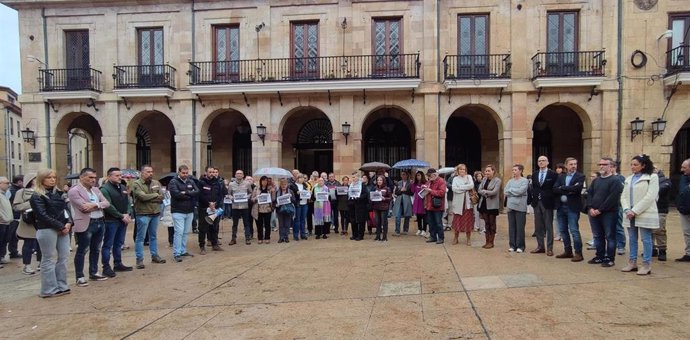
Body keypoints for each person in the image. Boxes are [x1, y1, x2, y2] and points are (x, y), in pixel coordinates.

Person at [30, 169, 72, 297]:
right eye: (49, 177)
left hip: (62, 227)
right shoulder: (37, 195)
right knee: (48, 258)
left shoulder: (58, 193)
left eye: (54, 177)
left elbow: (66, 209)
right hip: (47, 228)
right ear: (42, 179)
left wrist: (69, 222)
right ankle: (49, 289)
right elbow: (42, 215)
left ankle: (61, 285)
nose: (53, 179)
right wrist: (61, 226)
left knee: (64, 257)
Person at [68, 167, 111, 286]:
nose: (93, 180)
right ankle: (80, 276)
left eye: (94, 178)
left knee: (96, 249)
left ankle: (94, 272)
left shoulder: (96, 190)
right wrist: (98, 205)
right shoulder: (74, 191)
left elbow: (107, 203)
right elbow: (83, 207)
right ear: (82, 177)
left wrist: (94, 204)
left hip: (99, 221)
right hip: (85, 222)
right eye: (90, 177)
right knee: (82, 250)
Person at [620, 154, 659, 275]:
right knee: (632, 238)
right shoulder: (629, 179)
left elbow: (650, 196)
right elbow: (624, 196)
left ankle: (646, 264)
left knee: (645, 239)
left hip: (644, 212)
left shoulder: (652, 177)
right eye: (631, 164)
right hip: (629, 213)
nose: (633, 167)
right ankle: (632, 262)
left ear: (643, 165)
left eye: (635, 165)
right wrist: (627, 209)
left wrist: (635, 210)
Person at [586, 158, 624, 268]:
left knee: (610, 236)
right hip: (594, 212)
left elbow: (612, 198)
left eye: (604, 164)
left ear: (611, 166)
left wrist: (600, 210)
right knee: (597, 236)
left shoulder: (615, 180)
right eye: (600, 164)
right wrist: (590, 207)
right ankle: (600, 255)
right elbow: (590, 194)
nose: (601, 166)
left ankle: (610, 258)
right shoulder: (596, 180)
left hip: (609, 213)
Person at [99, 167, 134, 277]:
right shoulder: (104, 189)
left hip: (122, 220)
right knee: (108, 244)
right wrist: (120, 215)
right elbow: (108, 206)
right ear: (109, 176)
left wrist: (128, 213)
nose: (120, 177)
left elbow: (128, 202)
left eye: (120, 175)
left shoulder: (122, 187)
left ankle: (118, 263)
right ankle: (106, 267)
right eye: (117, 175)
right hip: (111, 220)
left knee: (118, 243)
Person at [131, 165, 167, 269]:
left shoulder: (156, 183)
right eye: (147, 172)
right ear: (141, 173)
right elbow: (142, 197)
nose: (150, 173)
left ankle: (155, 256)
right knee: (140, 238)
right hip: (143, 214)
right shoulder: (136, 184)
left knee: (153, 236)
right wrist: (155, 195)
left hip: (155, 213)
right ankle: (139, 259)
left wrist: (152, 197)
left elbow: (162, 197)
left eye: (151, 171)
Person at [553, 157, 585, 262]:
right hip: (561, 207)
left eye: (575, 164)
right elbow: (554, 189)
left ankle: (579, 253)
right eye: (571, 164)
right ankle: (568, 251)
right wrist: (569, 189)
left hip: (573, 207)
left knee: (574, 230)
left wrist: (563, 188)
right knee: (563, 230)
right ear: (566, 166)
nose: (573, 166)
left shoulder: (580, 176)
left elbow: (577, 189)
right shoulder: (561, 176)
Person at [168, 165, 199, 262]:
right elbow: (176, 195)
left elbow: (197, 191)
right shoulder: (173, 182)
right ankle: (177, 253)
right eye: (183, 173)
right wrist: (190, 194)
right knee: (179, 232)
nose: (185, 175)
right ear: (179, 172)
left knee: (185, 232)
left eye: (186, 173)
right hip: (178, 211)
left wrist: (185, 193)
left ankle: (183, 250)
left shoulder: (191, 181)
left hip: (189, 211)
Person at [12, 173, 42, 274]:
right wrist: (32, 203)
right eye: (35, 179)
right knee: (28, 244)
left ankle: (41, 263)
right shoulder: (21, 192)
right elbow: (17, 207)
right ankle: (27, 266)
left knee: (42, 244)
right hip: (28, 221)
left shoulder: (42, 191)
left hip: (42, 220)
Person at [531, 156, 558, 256]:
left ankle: (550, 248)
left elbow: (555, 188)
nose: (541, 162)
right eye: (539, 161)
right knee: (538, 226)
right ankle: (540, 246)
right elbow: (533, 187)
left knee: (548, 226)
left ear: (547, 162)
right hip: (537, 202)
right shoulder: (535, 174)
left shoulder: (553, 174)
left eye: (543, 161)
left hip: (548, 203)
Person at [197, 166, 226, 254]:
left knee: (214, 227)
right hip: (204, 209)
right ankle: (202, 246)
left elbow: (220, 195)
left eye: (213, 172)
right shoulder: (201, 182)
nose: (212, 174)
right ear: (206, 173)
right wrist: (209, 203)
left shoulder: (217, 183)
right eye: (209, 172)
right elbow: (200, 195)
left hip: (215, 208)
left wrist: (215, 203)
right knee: (203, 228)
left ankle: (215, 244)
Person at [504, 164, 529, 253]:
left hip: (520, 206)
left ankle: (520, 246)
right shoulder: (510, 181)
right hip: (510, 206)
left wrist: (512, 190)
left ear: (520, 171)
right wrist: (513, 191)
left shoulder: (525, 181)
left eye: (515, 170)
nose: (513, 171)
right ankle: (512, 245)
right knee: (512, 227)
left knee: (520, 227)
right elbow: (506, 191)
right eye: (513, 170)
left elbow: (521, 191)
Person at [477, 165, 501, 249]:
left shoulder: (497, 180)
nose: (487, 172)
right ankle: (487, 241)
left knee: (492, 223)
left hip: (492, 205)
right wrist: (486, 192)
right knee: (486, 223)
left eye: (488, 171)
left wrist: (485, 192)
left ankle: (491, 242)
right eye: (486, 171)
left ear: (493, 171)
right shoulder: (484, 179)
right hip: (483, 204)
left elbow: (494, 192)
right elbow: (479, 190)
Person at [450, 164, 474, 246]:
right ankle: (456, 238)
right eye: (460, 169)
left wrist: (460, 187)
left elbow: (471, 186)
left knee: (468, 222)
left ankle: (468, 239)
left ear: (466, 170)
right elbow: (454, 189)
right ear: (458, 171)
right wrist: (465, 188)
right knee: (457, 221)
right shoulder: (455, 179)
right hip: (458, 203)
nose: (462, 171)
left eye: (463, 169)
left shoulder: (469, 177)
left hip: (467, 203)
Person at [228, 169, 253, 245]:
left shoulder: (247, 184)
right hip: (235, 206)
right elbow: (229, 194)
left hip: (244, 206)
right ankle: (233, 238)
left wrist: (247, 197)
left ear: (243, 175)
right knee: (235, 224)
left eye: (240, 173)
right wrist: (231, 198)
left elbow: (250, 192)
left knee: (246, 223)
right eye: (237, 173)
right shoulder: (231, 184)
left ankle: (247, 238)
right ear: (235, 175)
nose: (239, 175)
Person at [652, 168, 671, 261]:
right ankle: (652, 249)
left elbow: (662, 189)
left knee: (660, 230)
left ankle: (662, 250)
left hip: (660, 209)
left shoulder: (665, 180)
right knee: (648, 230)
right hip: (649, 209)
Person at [424, 168, 446, 244]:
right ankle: (432, 237)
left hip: (437, 206)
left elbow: (442, 193)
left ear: (434, 174)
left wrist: (431, 191)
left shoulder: (441, 181)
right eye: (428, 176)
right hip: (429, 205)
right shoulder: (429, 182)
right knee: (430, 222)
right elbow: (426, 189)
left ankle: (441, 238)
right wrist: (424, 188)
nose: (429, 177)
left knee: (438, 222)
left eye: (429, 175)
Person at [3, 175, 23, 261]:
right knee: (9, 236)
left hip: (13, 216)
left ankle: (13, 251)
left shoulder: (13, 191)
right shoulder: (12, 192)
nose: (8, 185)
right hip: (12, 217)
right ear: (19, 182)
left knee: (14, 236)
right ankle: (11, 252)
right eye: (7, 183)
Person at [251, 176, 276, 244]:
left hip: (267, 209)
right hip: (258, 210)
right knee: (259, 225)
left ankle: (267, 238)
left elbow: (273, 199)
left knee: (267, 224)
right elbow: (252, 199)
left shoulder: (270, 189)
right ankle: (260, 238)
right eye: (263, 181)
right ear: (260, 181)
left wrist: (273, 192)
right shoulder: (256, 189)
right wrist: (257, 197)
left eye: (266, 181)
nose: (264, 182)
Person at [348, 174, 370, 241]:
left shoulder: (362, 185)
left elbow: (365, 194)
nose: (353, 178)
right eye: (353, 177)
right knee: (353, 220)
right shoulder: (351, 185)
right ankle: (354, 235)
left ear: (358, 177)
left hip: (360, 205)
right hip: (352, 205)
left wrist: (359, 198)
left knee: (360, 221)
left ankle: (360, 235)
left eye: (355, 177)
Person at [677, 158, 690, 262]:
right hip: (683, 209)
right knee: (687, 232)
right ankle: (688, 253)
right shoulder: (684, 178)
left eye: (684, 167)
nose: (682, 169)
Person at [372, 175, 392, 241]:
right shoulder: (375, 188)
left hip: (384, 207)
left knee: (384, 222)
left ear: (383, 181)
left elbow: (390, 198)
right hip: (376, 207)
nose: (379, 181)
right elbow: (371, 195)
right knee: (377, 222)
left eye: (380, 180)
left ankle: (384, 236)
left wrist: (384, 198)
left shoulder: (387, 188)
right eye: (378, 180)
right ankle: (378, 236)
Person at [276, 178, 297, 243]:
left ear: (287, 185)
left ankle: (286, 237)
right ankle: (281, 237)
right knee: (281, 224)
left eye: (285, 184)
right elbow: (274, 200)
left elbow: (294, 201)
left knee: (287, 224)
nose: (283, 186)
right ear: (280, 185)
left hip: (288, 210)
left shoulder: (290, 191)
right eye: (282, 184)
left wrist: (290, 197)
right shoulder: (277, 192)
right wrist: (276, 204)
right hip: (280, 210)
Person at [393, 171, 413, 236]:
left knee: (407, 215)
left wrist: (406, 190)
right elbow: (396, 192)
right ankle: (397, 231)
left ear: (407, 175)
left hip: (407, 200)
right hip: (399, 201)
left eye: (404, 174)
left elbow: (412, 193)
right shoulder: (398, 183)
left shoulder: (410, 183)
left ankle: (405, 230)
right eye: (402, 175)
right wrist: (401, 190)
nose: (403, 176)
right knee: (397, 216)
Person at [0, 177, 13, 267]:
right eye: (6, 183)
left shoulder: (5, 194)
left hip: (7, 222)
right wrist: (2, 217)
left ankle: (1, 256)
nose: (8, 185)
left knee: (4, 240)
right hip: (1, 222)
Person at [411, 171, 428, 237]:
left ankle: (424, 229)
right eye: (417, 175)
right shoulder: (415, 184)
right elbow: (412, 191)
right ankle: (419, 229)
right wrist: (412, 184)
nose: (418, 177)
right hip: (417, 201)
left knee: (424, 216)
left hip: (423, 201)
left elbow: (426, 192)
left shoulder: (425, 183)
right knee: (418, 216)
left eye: (419, 175)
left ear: (422, 176)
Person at [293, 174, 309, 240]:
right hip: (298, 204)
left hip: (304, 204)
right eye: (301, 178)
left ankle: (303, 234)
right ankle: (296, 235)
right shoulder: (293, 185)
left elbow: (308, 193)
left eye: (303, 178)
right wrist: (297, 193)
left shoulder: (305, 185)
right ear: (297, 178)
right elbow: (292, 194)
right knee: (297, 220)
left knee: (303, 220)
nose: (302, 179)